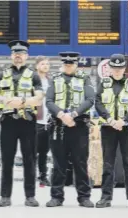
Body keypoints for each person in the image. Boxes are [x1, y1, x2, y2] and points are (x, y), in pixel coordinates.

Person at [0, 40, 43, 207]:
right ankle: (5, 196)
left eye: (21, 54)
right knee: (7, 160)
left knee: (29, 159)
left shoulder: (33, 75)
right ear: (11, 56)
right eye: (15, 54)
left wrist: (23, 101)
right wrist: (5, 100)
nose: (18, 56)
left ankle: (30, 196)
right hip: (8, 122)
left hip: (27, 121)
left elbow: (39, 97)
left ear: (26, 56)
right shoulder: (2, 74)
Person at [45, 51, 94, 207]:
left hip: (78, 126)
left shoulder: (85, 78)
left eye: (71, 64)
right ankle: (56, 196)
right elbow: (49, 101)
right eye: (66, 64)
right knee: (58, 163)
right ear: (62, 64)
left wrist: (73, 114)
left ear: (76, 64)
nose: (68, 66)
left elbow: (90, 99)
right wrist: (61, 115)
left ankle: (84, 196)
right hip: (58, 125)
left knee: (80, 162)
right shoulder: (54, 79)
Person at [95, 54, 128, 209]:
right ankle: (106, 197)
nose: (117, 70)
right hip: (108, 128)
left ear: (124, 68)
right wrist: (109, 119)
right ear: (110, 68)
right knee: (108, 163)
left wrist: (123, 120)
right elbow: (98, 103)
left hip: (127, 128)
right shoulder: (104, 83)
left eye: (120, 67)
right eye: (114, 68)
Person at [35, 56, 51, 186]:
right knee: (33, 151)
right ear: (37, 66)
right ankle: (31, 175)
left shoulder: (51, 82)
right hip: (36, 120)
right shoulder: (33, 81)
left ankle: (43, 176)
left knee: (44, 152)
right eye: (42, 64)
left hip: (49, 120)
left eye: (47, 64)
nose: (45, 66)